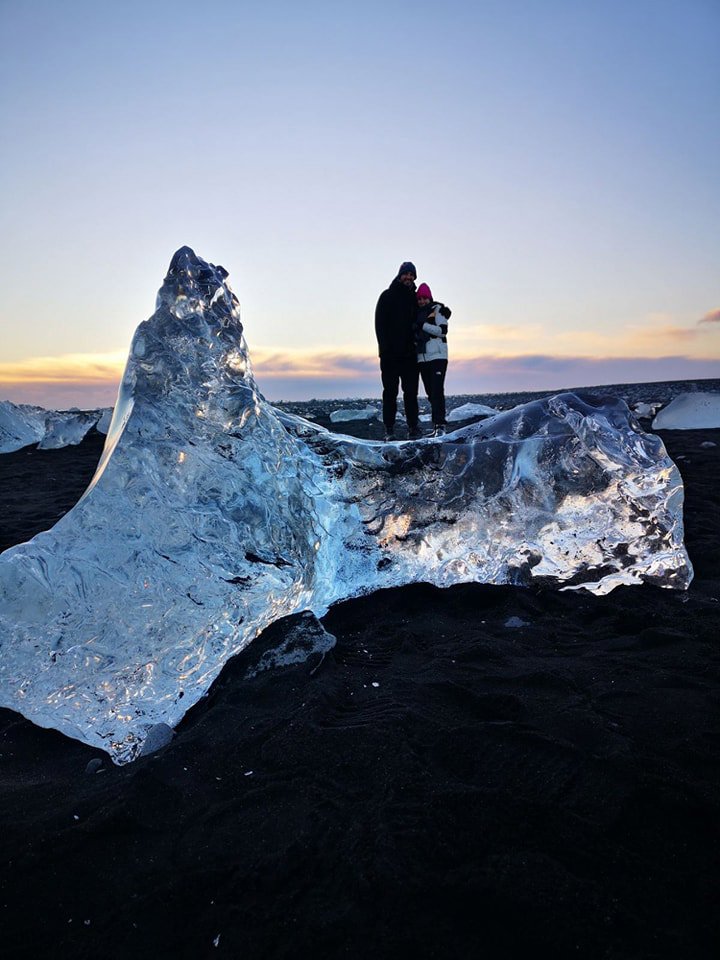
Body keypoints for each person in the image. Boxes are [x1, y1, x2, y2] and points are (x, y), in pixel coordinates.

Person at [374, 261, 421, 441]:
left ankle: (413, 427)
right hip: (390, 356)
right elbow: (379, 324)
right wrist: (384, 350)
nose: (408, 277)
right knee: (390, 393)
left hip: (410, 356)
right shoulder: (387, 296)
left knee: (411, 393)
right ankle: (389, 429)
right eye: (406, 274)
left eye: (411, 275)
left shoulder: (415, 299)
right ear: (400, 275)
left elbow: (427, 312)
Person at [415, 282, 451, 437]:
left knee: (437, 390)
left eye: (425, 298)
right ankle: (436, 425)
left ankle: (441, 425)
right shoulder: (416, 314)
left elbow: (442, 331)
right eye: (420, 299)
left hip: (437, 357)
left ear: (430, 298)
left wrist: (423, 326)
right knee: (430, 392)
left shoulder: (438, 311)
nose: (422, 301)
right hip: (422, 359)